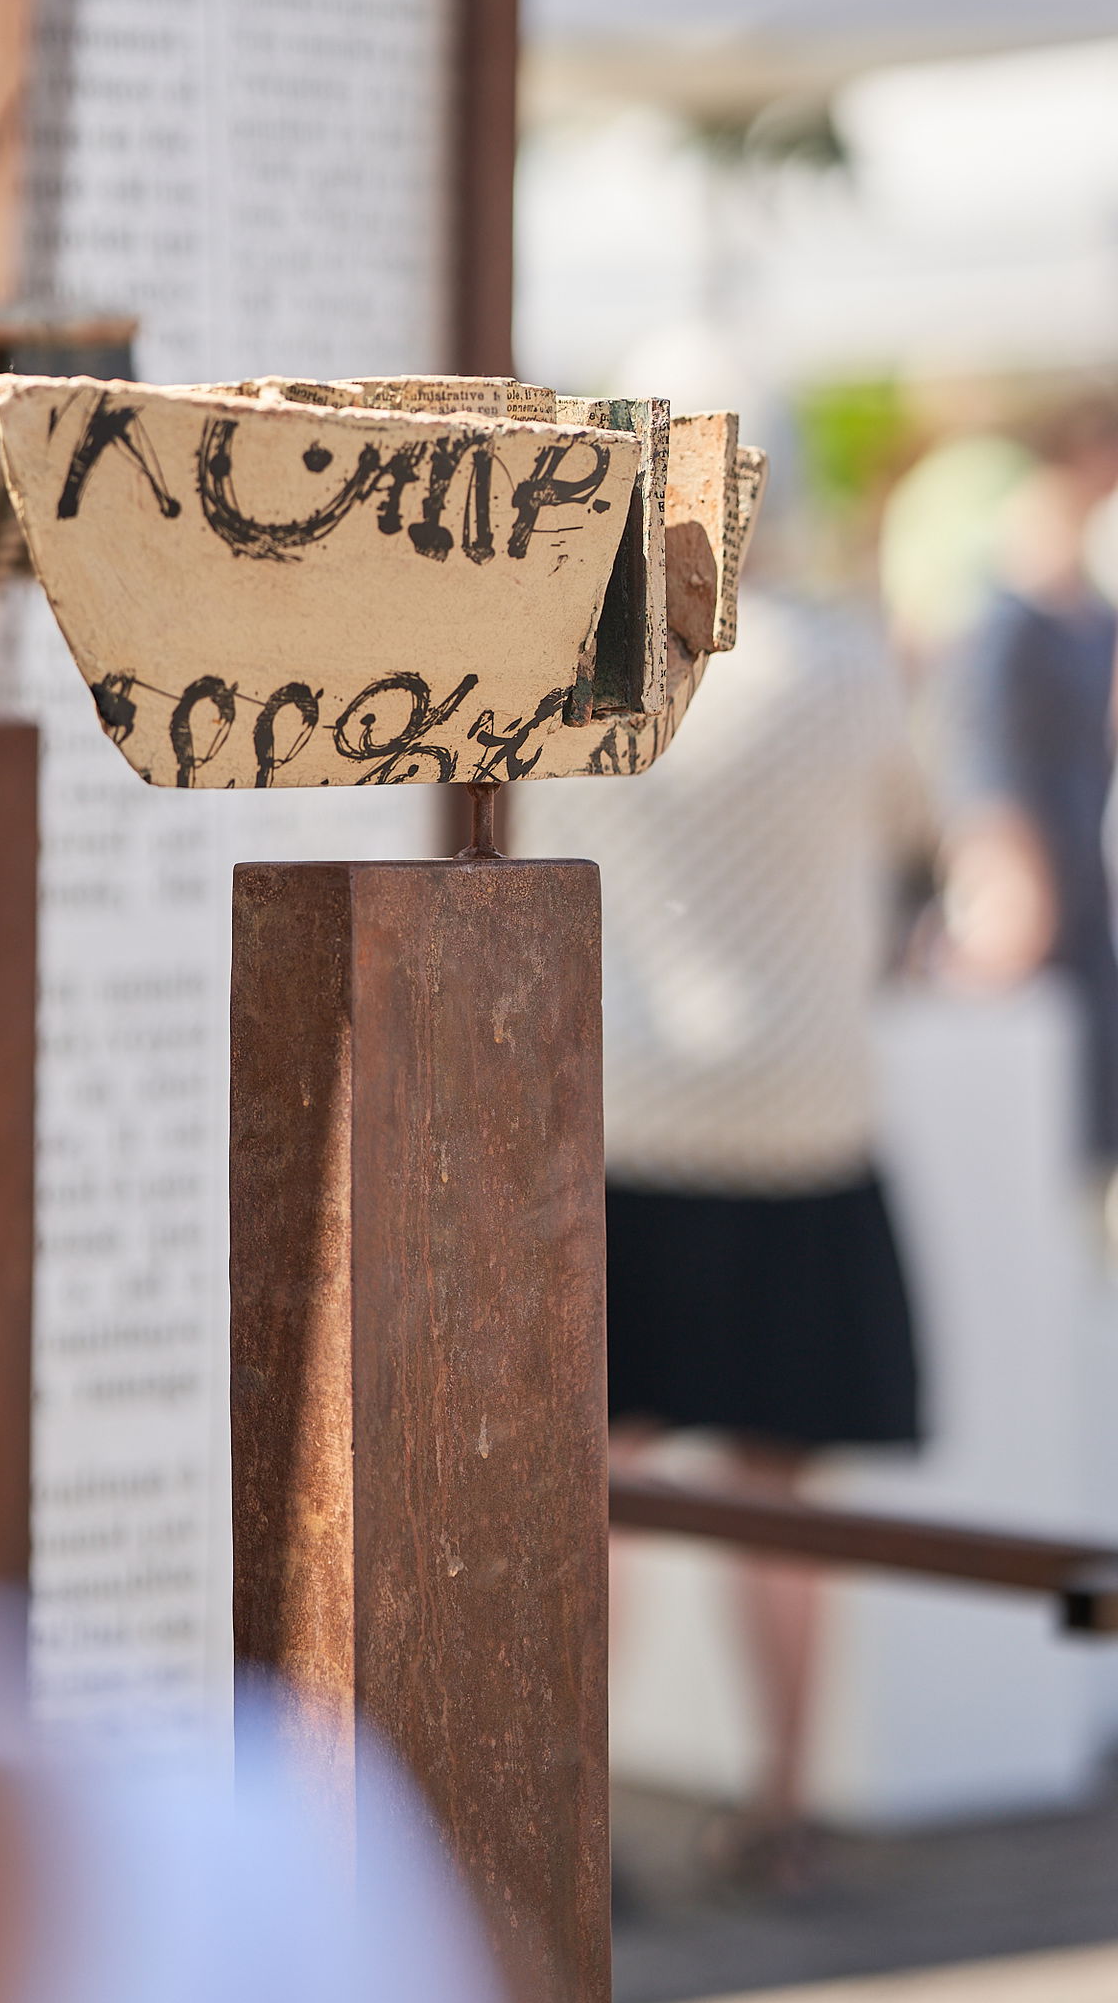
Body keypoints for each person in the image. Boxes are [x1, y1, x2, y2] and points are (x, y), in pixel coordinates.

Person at [514, 514, 923, 1894]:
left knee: (602, 1480)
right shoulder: (842, 661)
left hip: (629, 1109)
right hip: (806, 1111)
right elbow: (924, 824)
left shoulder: (583, 657)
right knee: (779, 1480)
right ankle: (786, 1804)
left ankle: (589, 1816)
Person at [935, 395, 1118, 1200]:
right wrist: (1012, 883)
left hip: (1086, 883)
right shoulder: (1009, 621)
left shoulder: (1091, 610)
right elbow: (990, 765)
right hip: (1040, 896)